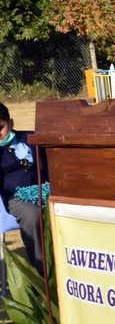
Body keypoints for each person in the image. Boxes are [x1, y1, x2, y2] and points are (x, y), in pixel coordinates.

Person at [0, 102, 47, 275]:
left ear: (10, 123)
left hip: (45, 190)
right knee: (32, 214)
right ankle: (43, 273)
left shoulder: (30, 138)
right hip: (14, 197)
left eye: (0, 127)